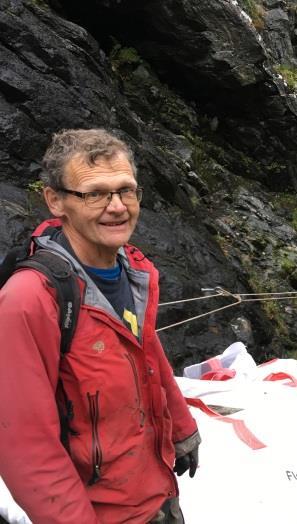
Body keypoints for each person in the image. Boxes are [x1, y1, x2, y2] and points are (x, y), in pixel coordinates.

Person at [0, 129, 200, 523]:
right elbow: (25, 444)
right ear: (55, 200)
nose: (117, 207)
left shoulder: (135, 269)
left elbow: (146, 351)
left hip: (157, 493)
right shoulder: (29, 300)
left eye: (126, 190)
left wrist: (181, 426)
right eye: (95, 194)